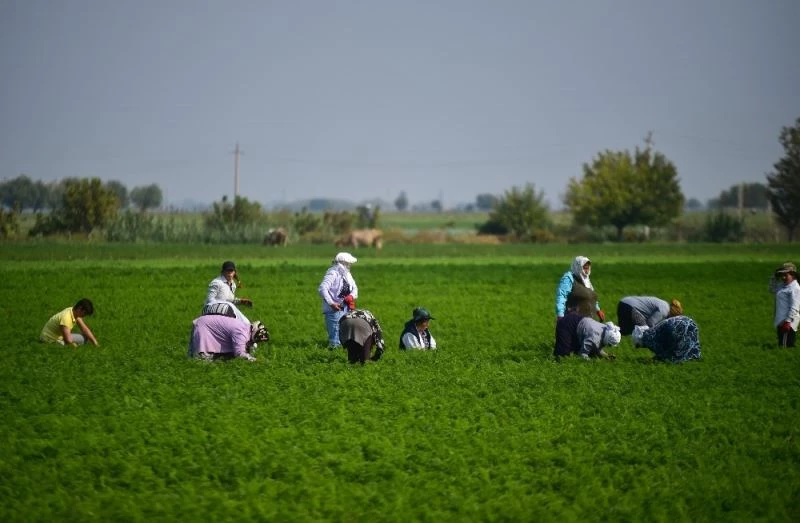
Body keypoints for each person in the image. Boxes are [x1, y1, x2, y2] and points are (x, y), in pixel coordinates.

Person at [318, 252, 359, 348]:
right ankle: (333, 355)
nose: (350, 265)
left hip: (346, 307)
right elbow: (322, 288)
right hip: (334, 310)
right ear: (343, 263)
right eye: (349, 263)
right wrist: (331, 303)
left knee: (345, 333)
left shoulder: (347, 274)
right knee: (335, 338)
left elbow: (355, 288)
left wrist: (351, 296)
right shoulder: (333, 273)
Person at [187, 315, 269, 361]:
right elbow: (239, 353)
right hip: (204, 326)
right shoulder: (241, 332)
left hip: (204, 322)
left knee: (193, 358)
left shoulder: (246, 329)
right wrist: (255, 360)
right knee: (201, 359)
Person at [632, 315, 701, 363]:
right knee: (690, 342)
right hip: (688, 321)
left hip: (675, 326)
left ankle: (681, 360)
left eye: (638, 346)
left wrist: (653, 360)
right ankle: (695, 357)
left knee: (675, 352)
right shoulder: (650, 332)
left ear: (640, 342)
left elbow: (662, 352)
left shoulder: (647, 340)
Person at [555, 256, 605, 321]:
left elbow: (591, 296)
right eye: (584, 268)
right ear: (578, 267)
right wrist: (560, 315)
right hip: (574, 321)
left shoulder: (586, 280)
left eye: (587, 268)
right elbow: (561, 296)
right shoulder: (569, 278)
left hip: (590, 320)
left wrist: (598, 310)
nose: (586, 271)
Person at [554, 311, 621, 360]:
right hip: (567, 324)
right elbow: (582, 354)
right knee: (563, 355)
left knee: (590, 352)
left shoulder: (605, 329)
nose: (609, 346)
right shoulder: (594, 337)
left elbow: (597, 348)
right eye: (610, 344)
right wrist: (591, 364)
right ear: (607, 338)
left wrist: (606, 356)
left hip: (577, 321)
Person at [769, 262, 800, 348]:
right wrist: (774, 277)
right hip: (781, 319)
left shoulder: (795, 288)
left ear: (793, 275)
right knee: (783, 344)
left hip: (788, 321)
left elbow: (795, 306)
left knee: (785, 346)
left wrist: (788, 321)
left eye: (786, 275)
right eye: (782, 275)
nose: (783, 277)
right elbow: (772, 289)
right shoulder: (783, 285)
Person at [616, 296, 683, 336]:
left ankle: (607, 330)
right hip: (631, 308)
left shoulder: (665, 304)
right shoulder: (665, 310)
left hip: (623, 303)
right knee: (644, 330)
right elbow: (650, 323)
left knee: (624, 330)